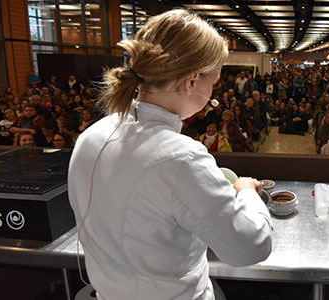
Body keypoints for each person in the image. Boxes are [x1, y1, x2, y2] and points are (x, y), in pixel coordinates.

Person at [67, 10, 272, 300]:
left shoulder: (92, 134)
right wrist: (246, 191)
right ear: (191, 82)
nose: (212, 91)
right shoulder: (181, 157)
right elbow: (250, 247)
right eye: (212, 81)